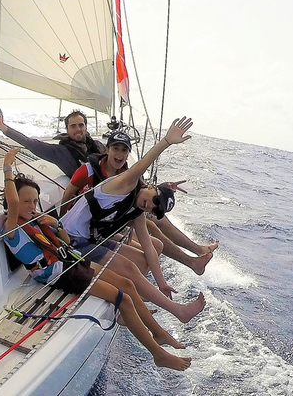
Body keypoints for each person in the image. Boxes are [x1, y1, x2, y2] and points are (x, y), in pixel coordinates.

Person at [0, 149, 191, 370]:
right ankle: (158, 354)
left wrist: (53, 222)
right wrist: (7, 166)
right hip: (60, 274)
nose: (31, 206)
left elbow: (64, 238)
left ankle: (158, 332)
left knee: (128, 284)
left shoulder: (35, 222)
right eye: (26, 202)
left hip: (70, 262)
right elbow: (13, 203)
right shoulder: (11, 229)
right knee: (124, 299)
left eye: (34, 201)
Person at [61, 116, 195, 299]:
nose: (120, 153)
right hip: (75, 235)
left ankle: (140, 294)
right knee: (137, 261)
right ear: (107, 150)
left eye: (124, 150)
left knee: (151, 248)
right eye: (115, 148)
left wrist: (162, 283)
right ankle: (133, 294)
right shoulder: (121, 182)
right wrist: (166, 142)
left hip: (93, 234)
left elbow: (147, 243)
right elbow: (141, 165)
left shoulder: (134, 195)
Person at [0, 109, 105, 177]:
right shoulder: (59, 152)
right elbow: (30, 143)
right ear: (67, 130)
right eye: (73, 126)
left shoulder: (98, 145)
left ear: (86, 126)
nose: (78, 129)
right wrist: (2, 127)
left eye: (81, 125)